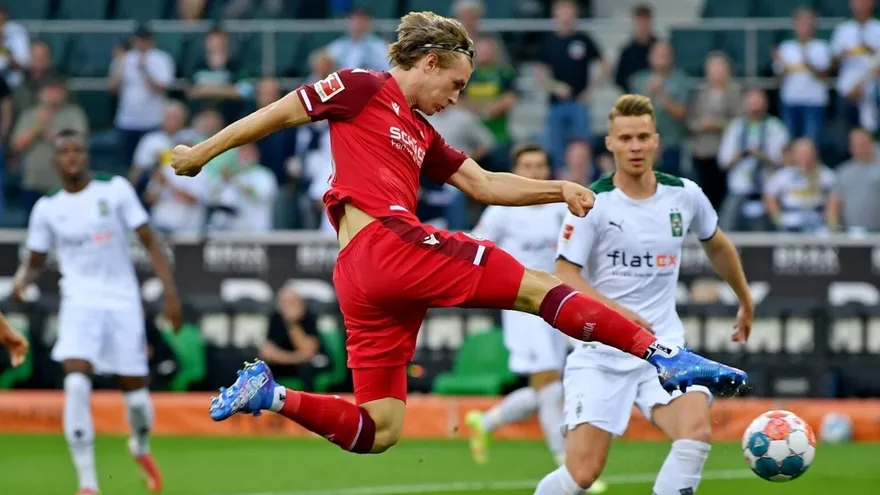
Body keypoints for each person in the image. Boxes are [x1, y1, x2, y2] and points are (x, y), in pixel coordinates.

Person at [171, 11, 747, 457]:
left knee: (380, 430)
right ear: (428, 62)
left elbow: (484, 183)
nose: (455, 99)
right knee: (538, 288)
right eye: (455, 84)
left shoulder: (422, 132)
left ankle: (270, 394)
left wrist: (559, 188)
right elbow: (278, 112)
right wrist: (201, 152)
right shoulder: (361, 86)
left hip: (363, 278)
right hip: (387, 245)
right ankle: (663, 354)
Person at [532, 94, 754, 495]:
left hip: (662, 348)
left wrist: (744, 298)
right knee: (582, 474)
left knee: (695, 433)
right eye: (626, 138)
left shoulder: (684, 195)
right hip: (601, 351)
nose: (635, 146)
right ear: (610, 143)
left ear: (656, 141)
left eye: (642, 137)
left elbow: (717, 244)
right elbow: (564, 273)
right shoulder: (592, 202)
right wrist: (615, 311)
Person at [12, 130, 183, 495]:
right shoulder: (47, 207)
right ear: (55, 161)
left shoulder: (114, 189)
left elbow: (150, 241)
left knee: (135, 395)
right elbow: (36, 260)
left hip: (122, 301)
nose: (72, 157)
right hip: (79, 301)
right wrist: (22, 281)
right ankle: (88, 484)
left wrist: (171, 294)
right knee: (75, 381)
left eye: (78, 150)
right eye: (64, 151)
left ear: (86, 156)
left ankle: (140, 445)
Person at [463, 144, 609, 492]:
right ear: (515, 170)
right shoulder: (502, 211)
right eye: (526, 165)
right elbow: (474, 248)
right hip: (522, 306)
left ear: (548, 170)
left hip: (558, 303)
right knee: (550, 384)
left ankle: (486, 421)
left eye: (539, 165)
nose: (534, 171)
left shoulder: (561, 209)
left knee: (549, 386)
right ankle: (570, 468)